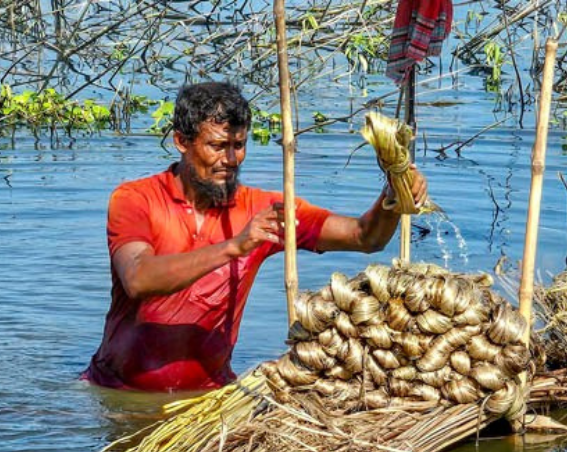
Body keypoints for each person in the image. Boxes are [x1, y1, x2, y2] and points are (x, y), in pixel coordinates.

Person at [83, 81, 428, 393]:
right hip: (118, 392)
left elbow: (364, 237)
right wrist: (235, 246)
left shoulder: (261, 210)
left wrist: (394, 196)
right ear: (181, 142)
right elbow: (138, 278)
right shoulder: (135, 199)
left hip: (208, 396)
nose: (230, 159)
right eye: (217, 146)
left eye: (239, 145)